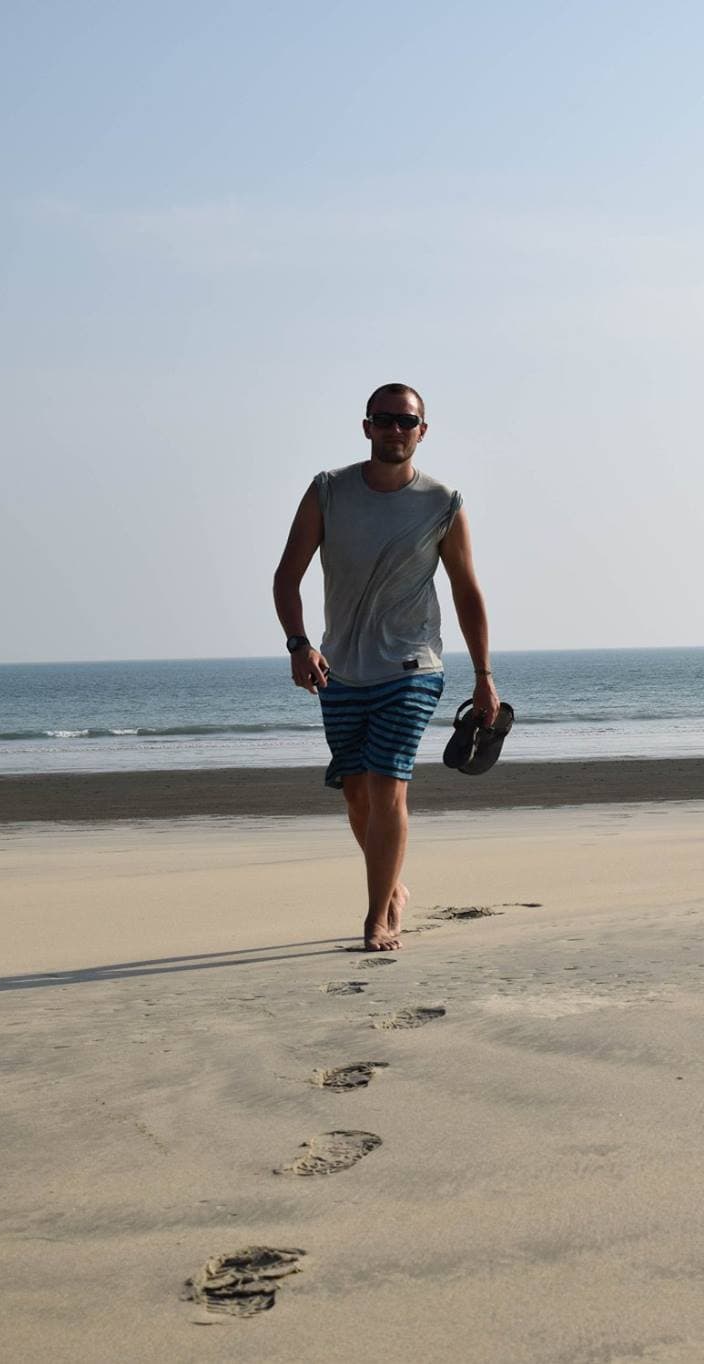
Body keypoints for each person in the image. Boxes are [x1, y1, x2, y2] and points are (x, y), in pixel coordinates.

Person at [272, 382, 500, 950]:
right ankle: (393, 887)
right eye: (385, 420)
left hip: (412, 666)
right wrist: (299, 645)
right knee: (356, 794)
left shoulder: (442, 502)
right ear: (367, 426)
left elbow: (467, 592)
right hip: (340, 669)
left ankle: (377, 917)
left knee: (387, 785)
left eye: (407, 421)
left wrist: (484, 676)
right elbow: (286, 577)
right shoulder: (328, 491)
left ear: (423, 431)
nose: (396, 430)